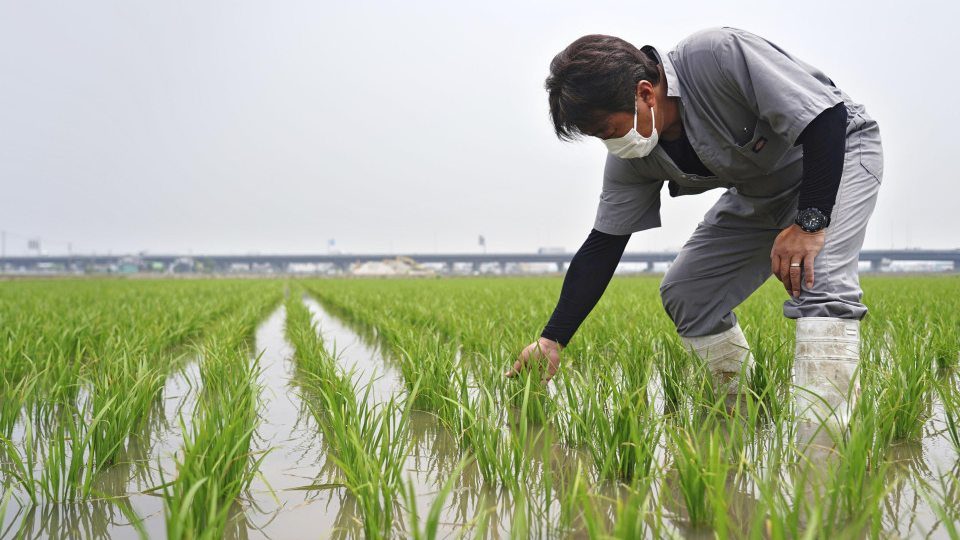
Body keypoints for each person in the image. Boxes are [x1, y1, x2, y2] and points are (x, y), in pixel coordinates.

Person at [506, 28, 882, 421]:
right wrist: (552, 340)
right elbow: (603, 246)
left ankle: (827, 451)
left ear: (646, 94)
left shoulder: (718, 56)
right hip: (762, 189)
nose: (611, 144)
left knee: (815, 280)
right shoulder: (633, 158)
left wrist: (809, 223)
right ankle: (747, 418)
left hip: (838, 152)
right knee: (688, 292)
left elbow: (825, 117)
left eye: (609, 131)